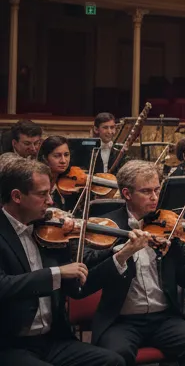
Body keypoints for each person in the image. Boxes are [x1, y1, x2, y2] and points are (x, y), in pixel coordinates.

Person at [85, 160, 185, 366]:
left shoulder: (167, 225)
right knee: (117, 355)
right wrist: (123, 251)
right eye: (146, 191)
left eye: (157, 190)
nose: (154, 198)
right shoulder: (107, 227)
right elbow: (88, 275)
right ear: (126, 194)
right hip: (121, 320)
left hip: (163, 318)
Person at [0, 157, 124, 366]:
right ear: (17, 196)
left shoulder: (49, 231)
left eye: (50, 193)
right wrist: (56, 273)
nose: (50, 201)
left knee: (112, 361)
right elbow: (3, 285)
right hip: (10, 344)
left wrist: (120, 254)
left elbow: (77, 289)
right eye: (42, 194)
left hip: (52, 340)